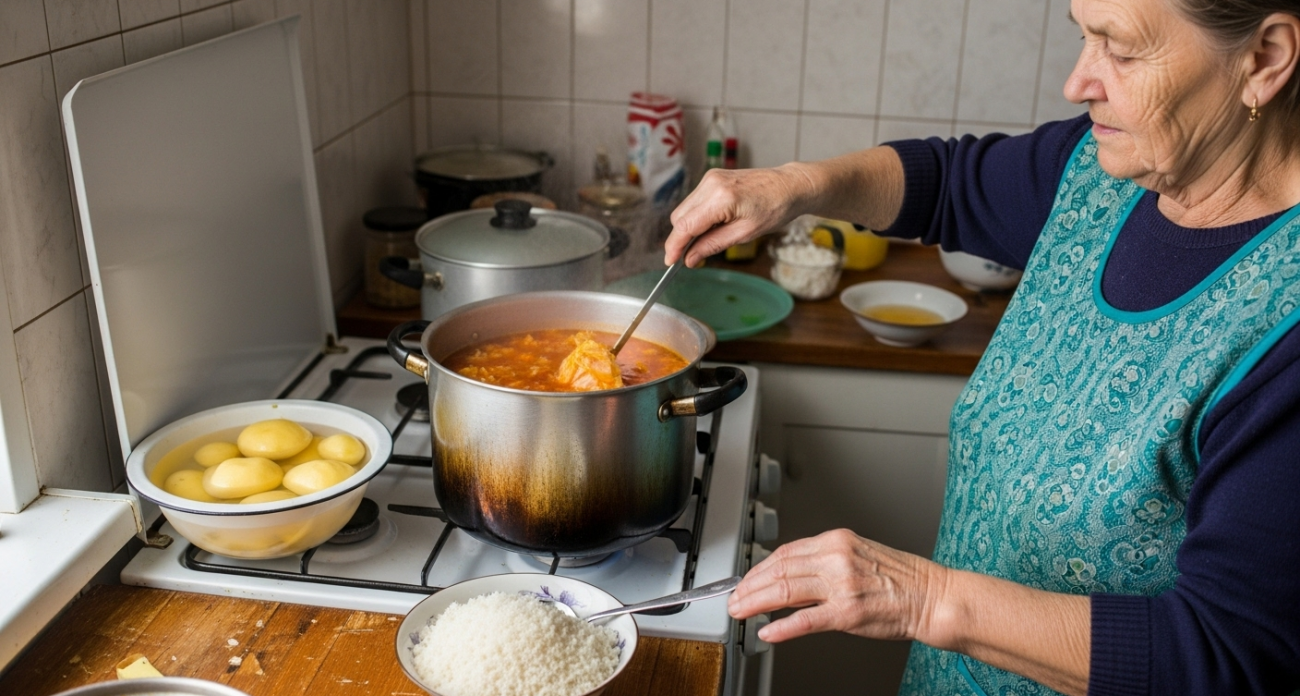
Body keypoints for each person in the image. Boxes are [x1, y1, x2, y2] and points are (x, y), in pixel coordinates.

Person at [664, 1, 1300, 694]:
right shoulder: (1102, 167)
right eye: (1083, 38)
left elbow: (1227, 654)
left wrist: (926, 600)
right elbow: (948, 183)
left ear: (1265, 56)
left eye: (1120, 51)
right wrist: (793, 186)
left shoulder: (1284, 327)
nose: (1078, 82)